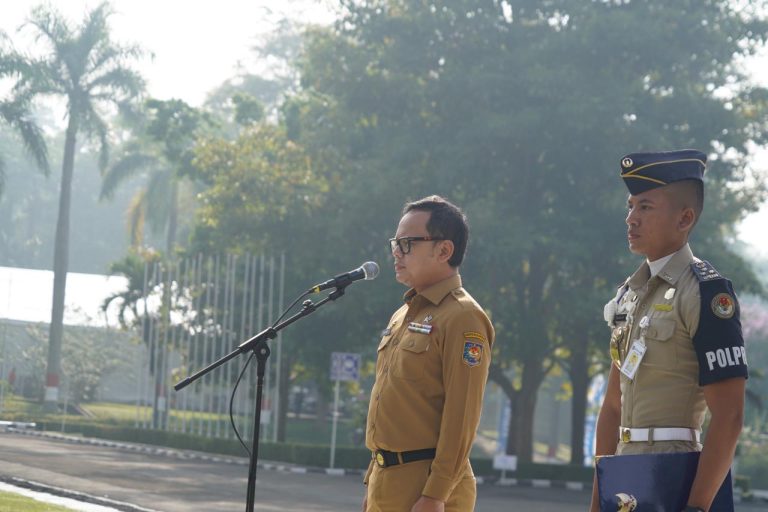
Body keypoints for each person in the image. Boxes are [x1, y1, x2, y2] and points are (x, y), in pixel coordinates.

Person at [589, 150, 748, 512]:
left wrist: (697, 506)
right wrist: (598, 500)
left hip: (677, 473)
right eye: (630, 207)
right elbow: (612, 408)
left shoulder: (706, 293)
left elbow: (729, 415)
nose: (631, 218)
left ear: (685, 217)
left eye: (645, 207)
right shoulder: (628, 296)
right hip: (625, 474)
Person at [362, 195, 495, 512]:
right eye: (395, 243)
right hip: (387, 481)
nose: (397, 252)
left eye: (407, 243)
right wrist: (373, 481)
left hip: (426, 487)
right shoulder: (402, 315)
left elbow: (461, 415)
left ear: (444, 250)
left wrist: (436, 494)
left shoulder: (463, 317)